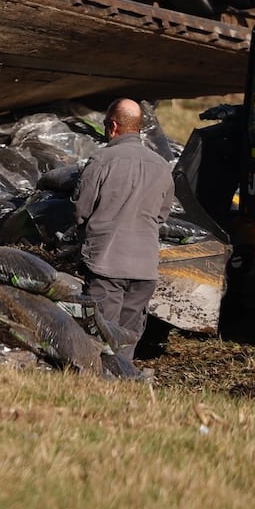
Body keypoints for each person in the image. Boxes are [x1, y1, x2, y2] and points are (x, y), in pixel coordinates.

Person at [73, 98, 174, 355]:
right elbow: (162, 216)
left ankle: (98, 384)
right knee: (128, 338)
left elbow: (81, 210)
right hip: (144, 268)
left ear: (113, 126)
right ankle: (123, 379)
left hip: (107, 264)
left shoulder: (102, 160)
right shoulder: (162, 166)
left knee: (101, 334)